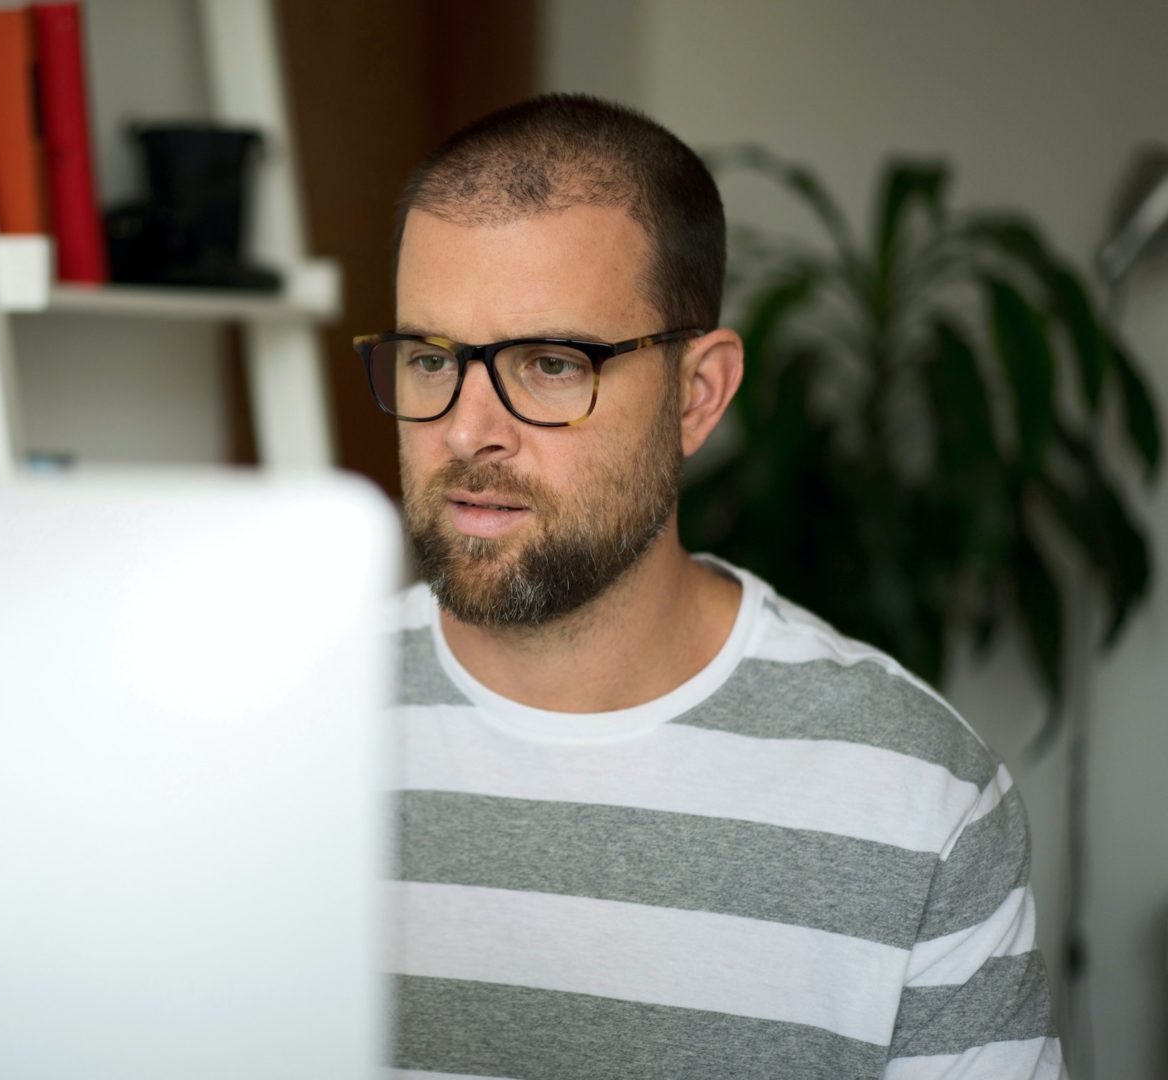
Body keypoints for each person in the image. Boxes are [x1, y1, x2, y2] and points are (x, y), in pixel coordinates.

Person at [360, 94, 1065, 1079]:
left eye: (552, 364)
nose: (468, 431)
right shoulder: (276, 726)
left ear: (698, 395)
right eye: (431, 359)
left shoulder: (916, 797)